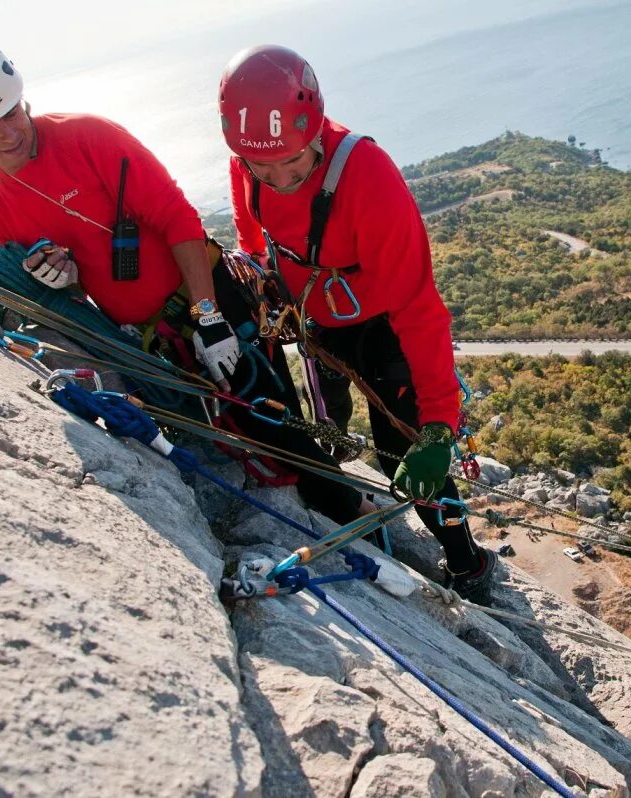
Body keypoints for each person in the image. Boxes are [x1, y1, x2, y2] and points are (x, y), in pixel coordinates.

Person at [0, 32, 375, 527]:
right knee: (237, 422)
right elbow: (73, 292)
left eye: (10, 113)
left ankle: (353, 511)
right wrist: (60, 279)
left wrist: (208, 316)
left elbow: (178, 221)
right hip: (150, 335)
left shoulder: (90, 138)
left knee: (270, 412)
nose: (8, 133)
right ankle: (327, 500)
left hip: (209, 296)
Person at [218, 44, 498, 603]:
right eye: (262, 168)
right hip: (317, 318)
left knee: (405, 452)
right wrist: (268, 281)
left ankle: (466, 562)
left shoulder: (367, 177)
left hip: (382, 326)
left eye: (292, 166)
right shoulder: (252, 159)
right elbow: (255, 230)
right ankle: (341, 479)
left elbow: (419, 308)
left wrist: (440, 427)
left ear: (315, 129)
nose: (278, 179)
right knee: (327, 412)